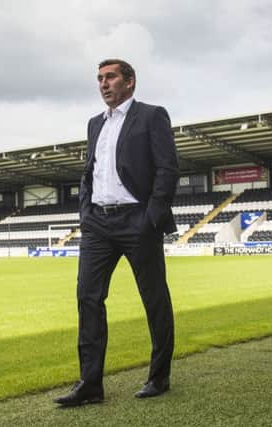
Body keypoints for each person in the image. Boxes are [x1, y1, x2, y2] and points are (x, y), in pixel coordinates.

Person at [54, 59, 179, 407]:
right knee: (88, 298)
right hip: (98, 224)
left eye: (110, 77)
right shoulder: (95, 124)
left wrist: (151, 217)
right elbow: (89, 171)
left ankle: (159, 376)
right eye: (99, 79)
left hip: (138, 220)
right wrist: (85, 211)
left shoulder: (152, 116)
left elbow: (168, 169)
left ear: (130, 82)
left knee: (154, 298)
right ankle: (90, 385)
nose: (103, 84)